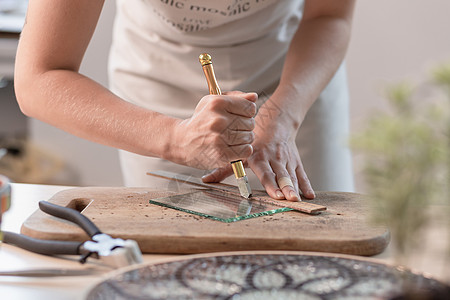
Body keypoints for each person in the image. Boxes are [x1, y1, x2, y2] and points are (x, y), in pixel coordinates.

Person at [14, 0, 355, 201]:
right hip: (156, 86)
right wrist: (174, 138)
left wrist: (283, 116)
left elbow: (330, 15)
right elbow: (39, 77)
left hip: (291, 81)